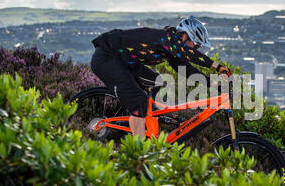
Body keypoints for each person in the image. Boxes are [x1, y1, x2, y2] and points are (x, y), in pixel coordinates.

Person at [90, 16, 231, 138]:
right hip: (107, 58)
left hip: (126, 62)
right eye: (196, 44)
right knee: (139, 101)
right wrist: (217, 67)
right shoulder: (167, 38)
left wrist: (213, 84)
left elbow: (186, 70)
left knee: (158, 83)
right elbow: (189, 54)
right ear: (184, 36)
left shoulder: (172, 48)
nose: (196, 49)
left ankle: (146, 119)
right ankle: (138, 152)